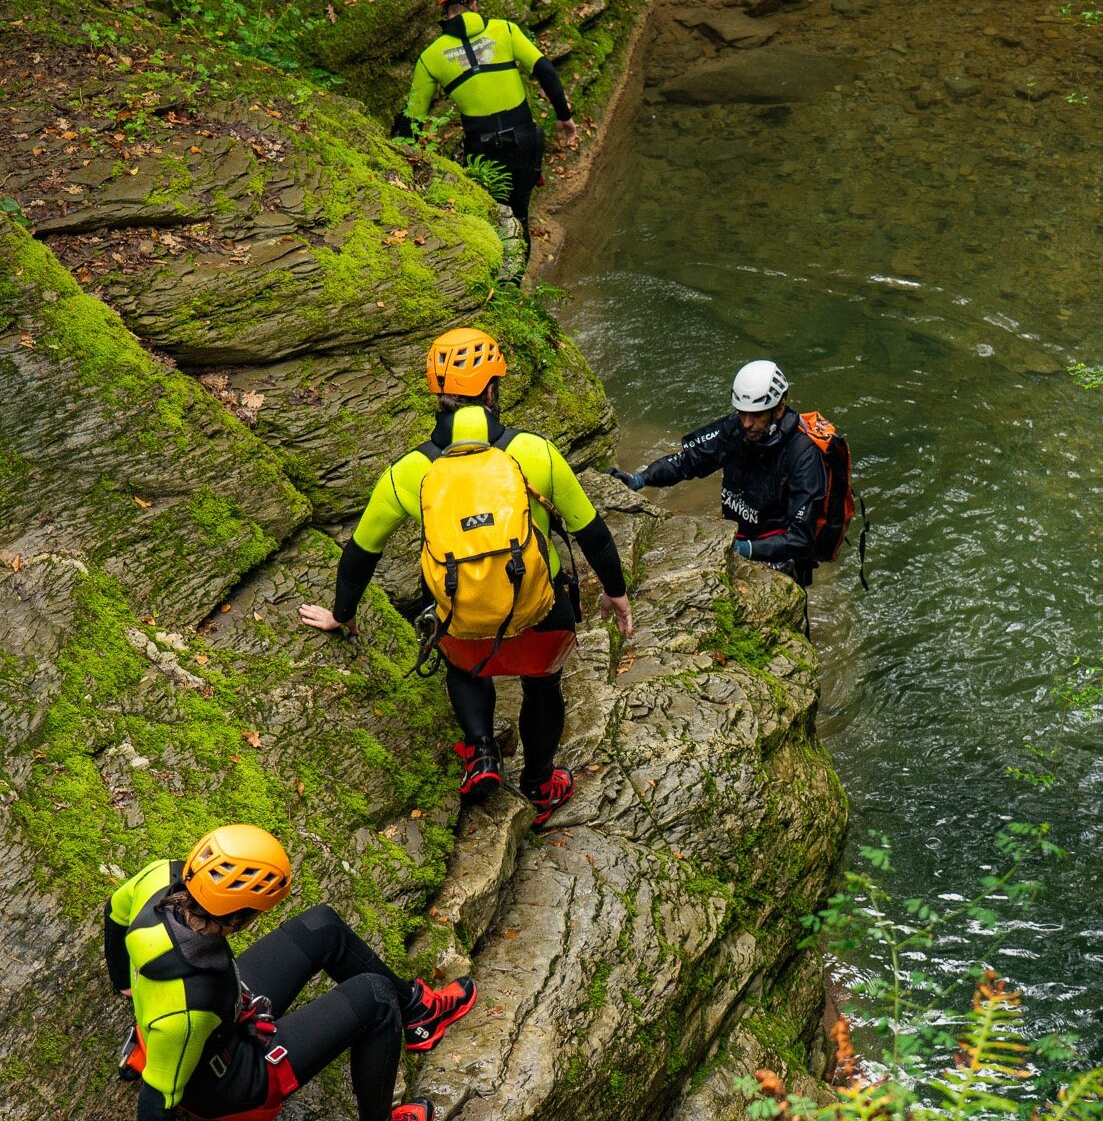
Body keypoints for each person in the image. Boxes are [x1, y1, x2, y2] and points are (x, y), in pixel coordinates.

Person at [299, 328, 633, 825]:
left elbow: (361, 552)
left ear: (438, 393)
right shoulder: (536, 453)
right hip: (544, 613)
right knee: (544, 686)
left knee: (462, 666)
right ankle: (541, 785)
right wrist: (615, 592)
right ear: (494, 388)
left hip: (462, 618)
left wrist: (342, 615)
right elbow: (594, 534)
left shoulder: (410, 470)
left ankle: (481, 753)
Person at [105, 824, 477, 1121]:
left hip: (225, 1015)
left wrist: (125, 981)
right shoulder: (187, 1011)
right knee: (374, 997)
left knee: (321, 926)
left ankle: (416, 1012)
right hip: (228, 1083)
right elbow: (159, 1098)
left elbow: (114, 912)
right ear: (240, 917)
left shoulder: (161, 877)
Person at [391, 0, 577, 243]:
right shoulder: (506, 30)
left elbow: (412, 119)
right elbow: (546, 71)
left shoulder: (430, 58)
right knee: (519, 217)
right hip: (525, 141)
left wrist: (398, 169)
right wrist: (564, 116)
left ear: (444, 6)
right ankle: (514, 276)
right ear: (474, 1)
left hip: (483, 149)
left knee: (493, 220)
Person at [610, 360, 827, 587]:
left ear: (779, 409)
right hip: (736, 535)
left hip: (776, 554)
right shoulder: (734, 430)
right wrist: (641, 478)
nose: (746, 423)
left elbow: (801, 539)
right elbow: (687, 461)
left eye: (756, 416)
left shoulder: (803, 455)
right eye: (742, 414)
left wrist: (746, 549)